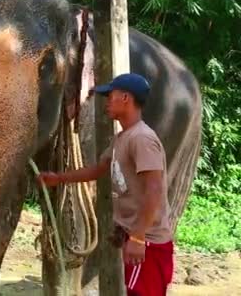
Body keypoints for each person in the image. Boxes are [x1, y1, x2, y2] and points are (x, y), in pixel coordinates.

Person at [38, 73, 174, 296]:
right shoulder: (122, 138)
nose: (106, 102)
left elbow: (155, 189)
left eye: (110, 96)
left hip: (148, 243)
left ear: (126, 98)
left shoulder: (142, 139)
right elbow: (99, 170)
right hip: (135, 236)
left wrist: (139, 237)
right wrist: (58, 178)